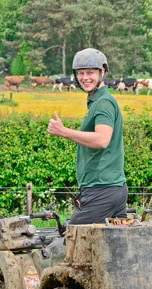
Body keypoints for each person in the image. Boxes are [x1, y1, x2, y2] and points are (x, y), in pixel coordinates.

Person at [47, 48, 128, 224]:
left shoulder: (103, 103)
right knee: (110, 248)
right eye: (81, 73)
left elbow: (102, 139)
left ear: (102, 72)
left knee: (73, 242)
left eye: (90, 72)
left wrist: (64, 131)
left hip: (101, 190)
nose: (85, 78)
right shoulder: (99, 101)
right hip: (113, 188)